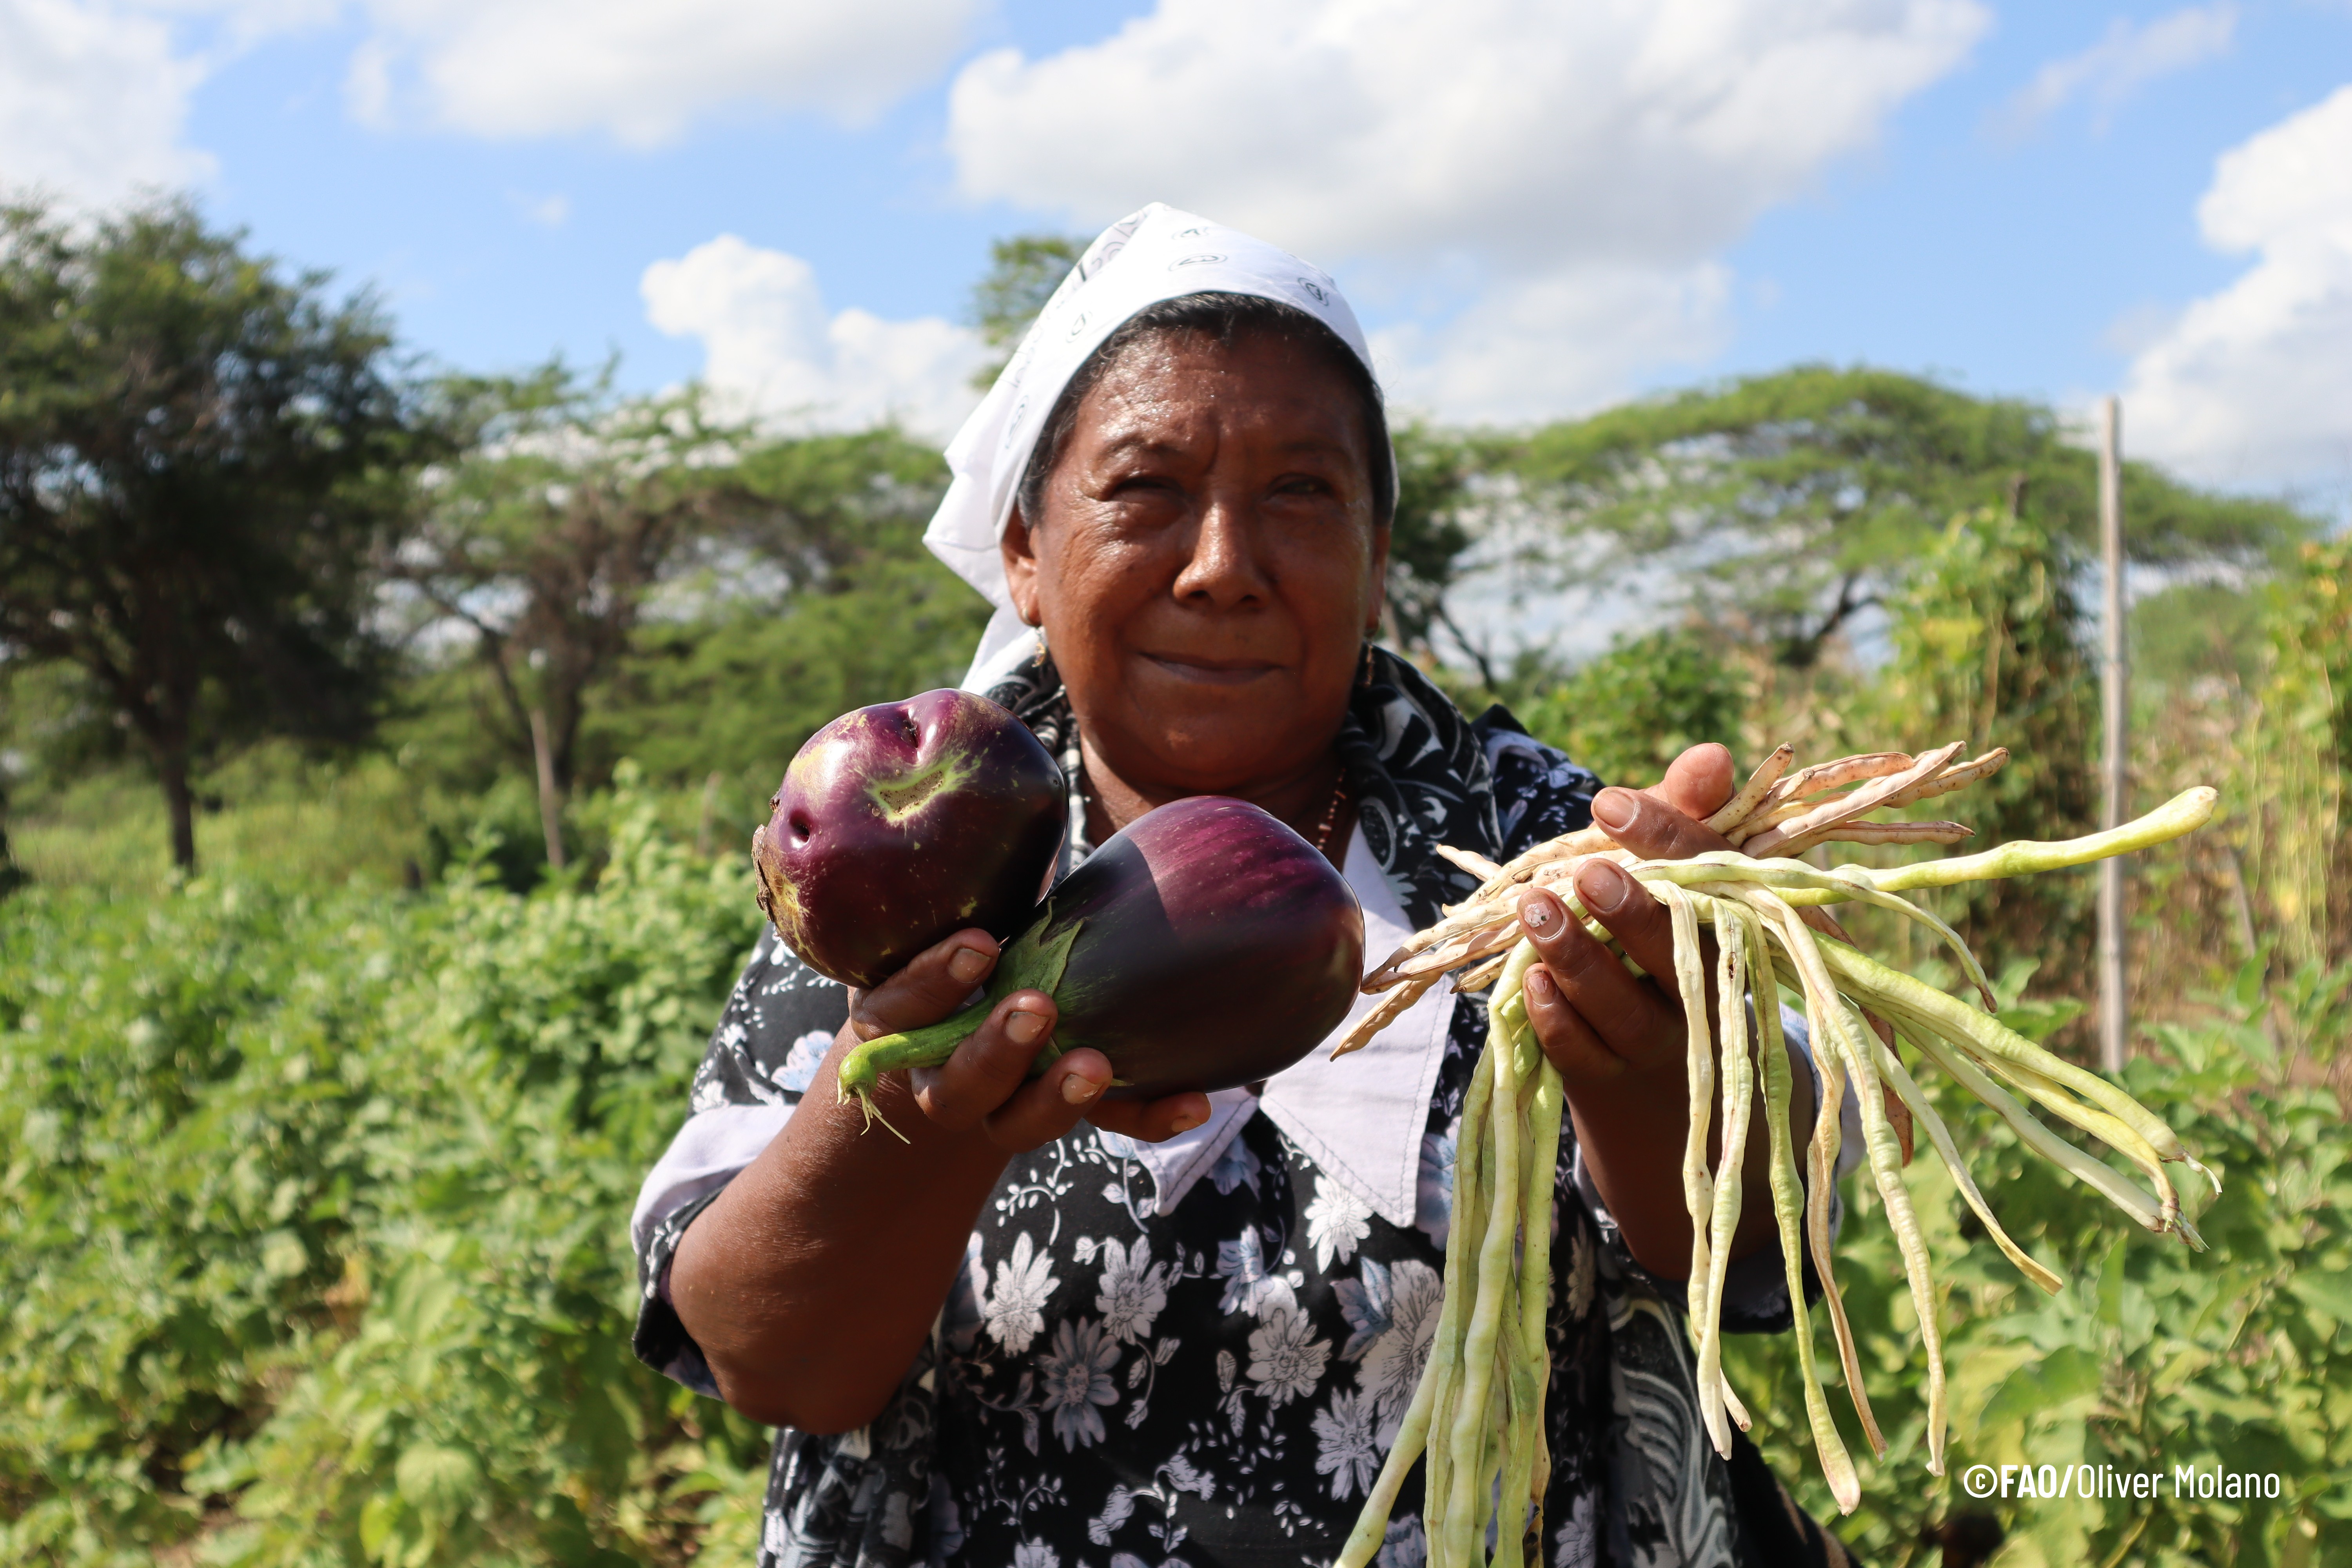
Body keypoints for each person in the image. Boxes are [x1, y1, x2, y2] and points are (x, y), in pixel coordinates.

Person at [630, 203, 1863, 1568]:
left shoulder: (1540, 850)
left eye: (1301, 495)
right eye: (1145, 489)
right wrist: (910, 1128)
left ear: (1377, 560)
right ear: (1025, 552)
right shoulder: (906, 866)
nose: (1221, 566)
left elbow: (1761, 1238)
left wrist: (1674, 1072)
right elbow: (768, 1362)